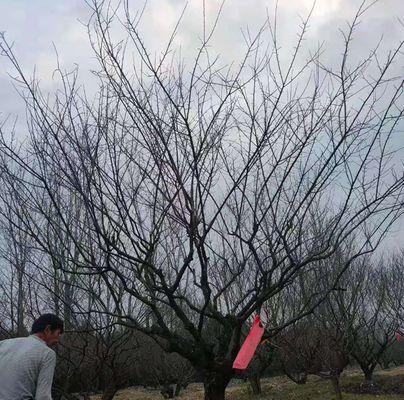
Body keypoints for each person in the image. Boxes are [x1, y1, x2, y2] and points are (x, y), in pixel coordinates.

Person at [0, 313, 64, 400]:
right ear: (48, 330)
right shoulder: (47, 354)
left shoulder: (4, 344)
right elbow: (43, 397)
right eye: (58, 333)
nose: (58, 339)